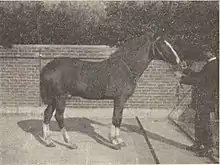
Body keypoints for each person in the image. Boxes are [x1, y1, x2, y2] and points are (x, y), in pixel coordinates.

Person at [175, 49, 219, 157]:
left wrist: (182, 78)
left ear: (211, 53)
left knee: (204, 123)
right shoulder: (211, 64)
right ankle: (198, 144)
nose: (203, 54)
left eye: (205, 52)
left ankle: (209, 148)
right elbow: (199, 75)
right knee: (199, 122)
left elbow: (199, 80)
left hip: (206, 100)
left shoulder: (213, 65)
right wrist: (186, 70)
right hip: (203, 99)